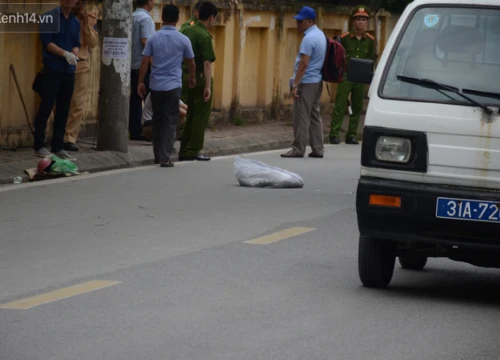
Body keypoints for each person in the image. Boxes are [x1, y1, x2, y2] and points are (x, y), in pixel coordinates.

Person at [138, 4, 196, 168]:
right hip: (173, 86)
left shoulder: (153, 38)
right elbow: (191, 62)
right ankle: (165, 157)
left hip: (156, 86)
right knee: (170, 122)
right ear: (178, 20)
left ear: (162, 18)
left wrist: (141, 82)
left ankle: (158, 155)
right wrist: (192, 77)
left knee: (157, 120)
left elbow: (144, 62)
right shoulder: (183, 39)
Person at [34, 0, 80, 161]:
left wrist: (74, 52)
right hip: (53, 68)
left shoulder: (75, 22)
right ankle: (39, 144)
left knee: (64, 108)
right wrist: (64, 54)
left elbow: (76, 43)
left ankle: (58, 146)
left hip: (69, 70)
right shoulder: (49, 17)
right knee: (46, 106)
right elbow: (47, 43)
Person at [280, 6, 327, 158]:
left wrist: (295, 85)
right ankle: (318, 148)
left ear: (309, 21)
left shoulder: (309, 38)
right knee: (314, 115)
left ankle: (298, 149)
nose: (297, 24)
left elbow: (304, 64)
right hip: (317, 80)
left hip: (306, 82)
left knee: (301, 116)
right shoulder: (320, 35)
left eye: (300, 21)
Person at [329, 5, 376, 145]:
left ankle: (352, 135)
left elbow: (371, 58)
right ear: (353, 22)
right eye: (358, 19)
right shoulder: (345, 38)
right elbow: (338, 56)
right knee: (340, 104)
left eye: (363, 19)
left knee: (357, 106)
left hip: (360, 76)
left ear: (367, 22)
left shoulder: (370, 40)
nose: (361, 22)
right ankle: (334, 134)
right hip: (346, 75)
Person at [178, 1, 217, 162]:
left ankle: (184, 148)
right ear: (211, 17)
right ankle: (193, 149)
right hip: (199, 77)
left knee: (188, 113)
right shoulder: (204, 35)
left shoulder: (186, 29)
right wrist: (208, 85)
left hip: (183, 75)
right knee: (199, 115)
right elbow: (207, 63)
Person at [63, 0, 98, 152]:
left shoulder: (89, 18)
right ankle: (58, 134)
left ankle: (70, 138)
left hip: (81, 63)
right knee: (62, 100)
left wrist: (86, 25)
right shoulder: (61, 16)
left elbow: (93, 43)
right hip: (63, 61)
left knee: (78, 103)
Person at [130, 0, 156, 141]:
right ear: (148, 2)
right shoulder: (146, 19)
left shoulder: (131, 16)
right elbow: (146, 42)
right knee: (148, 99)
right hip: (143, 66)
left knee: (134, 98)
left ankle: (134, 130)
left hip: (131, 64)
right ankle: (146, 130)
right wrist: (154, 65)